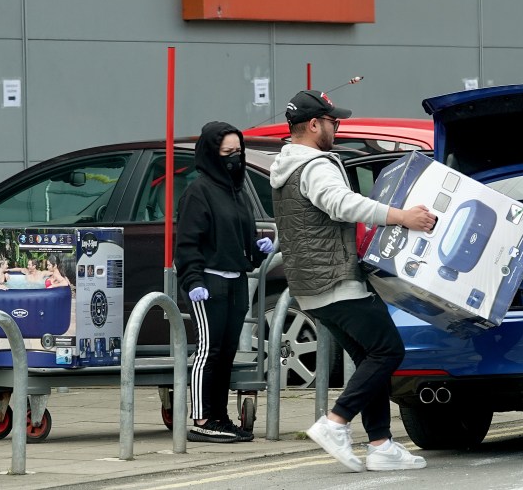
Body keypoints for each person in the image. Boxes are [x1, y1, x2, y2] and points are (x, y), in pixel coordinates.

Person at [269, 90, 437, 473]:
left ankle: (381, 445)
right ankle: (336, 422)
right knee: (388, 351)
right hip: (335, 280)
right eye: (333, 122)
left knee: (368, 357)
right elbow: (341, 204)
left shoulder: (287, 165)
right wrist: (401, 216)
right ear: (314, 125)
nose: (336, 128)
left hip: (310, 285)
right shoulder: (315, 165)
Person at [175, 121, 274, 443]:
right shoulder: (198, 192)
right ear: (211, 153)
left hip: (236, 281)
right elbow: (187, 243)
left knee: (227, 352)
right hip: (209, 283)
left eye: (239, 152)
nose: (234, 158)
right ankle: (201, 419)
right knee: (209, 351)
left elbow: (239, 237)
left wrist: (258, 250)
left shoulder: (236, 190)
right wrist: (192, 280)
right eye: (227, 152)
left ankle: (220, 416)